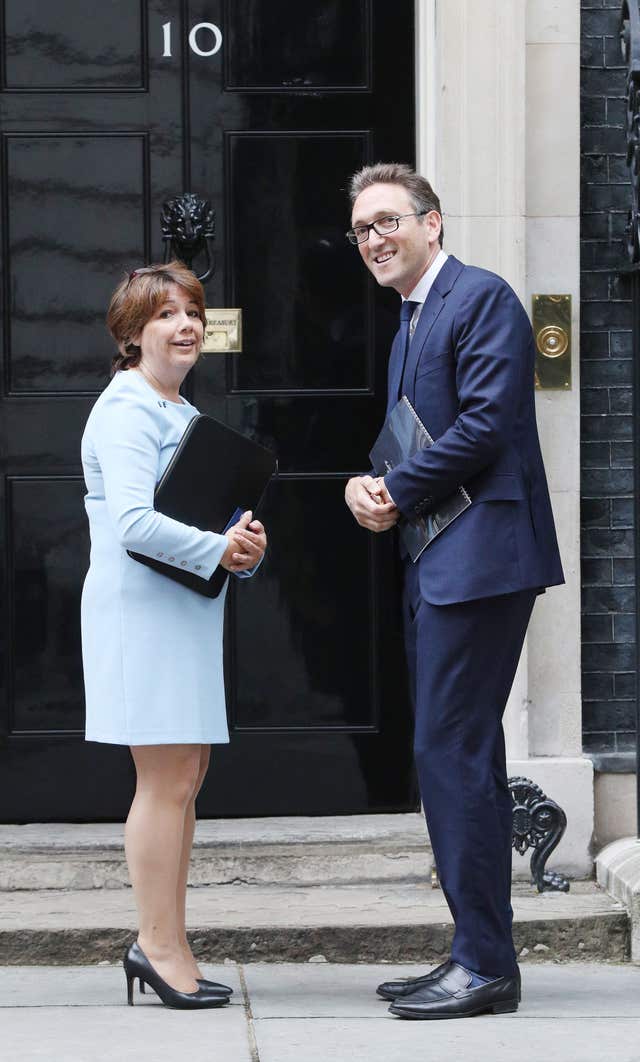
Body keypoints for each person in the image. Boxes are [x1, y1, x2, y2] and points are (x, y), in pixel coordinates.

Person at [344, 164, 564, 1020]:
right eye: (363, 229)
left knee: (452, 754)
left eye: (388, 221)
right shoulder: (411, 319)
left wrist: (395, 491)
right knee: (457, 755)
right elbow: (411, 432)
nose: (374, 239)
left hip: (481, 561)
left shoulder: (482, 298)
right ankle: (476, 953)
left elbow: (484, 423)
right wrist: (366, 483)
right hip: (439, 560)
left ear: (433, 223)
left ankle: (484, 967)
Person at [80, 261, 267, 1010]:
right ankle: (156, 947)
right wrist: (218, 549)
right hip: (143, 617)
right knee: (164, 783)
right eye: (166, 315)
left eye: (192, 312)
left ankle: (171, 942)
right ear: (132, 334)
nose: (185, 325)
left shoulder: (176, 411)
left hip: (181, 612)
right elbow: (131, 524)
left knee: (185, 779)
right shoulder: (126, 409)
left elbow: (205, 515)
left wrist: (244, 548)